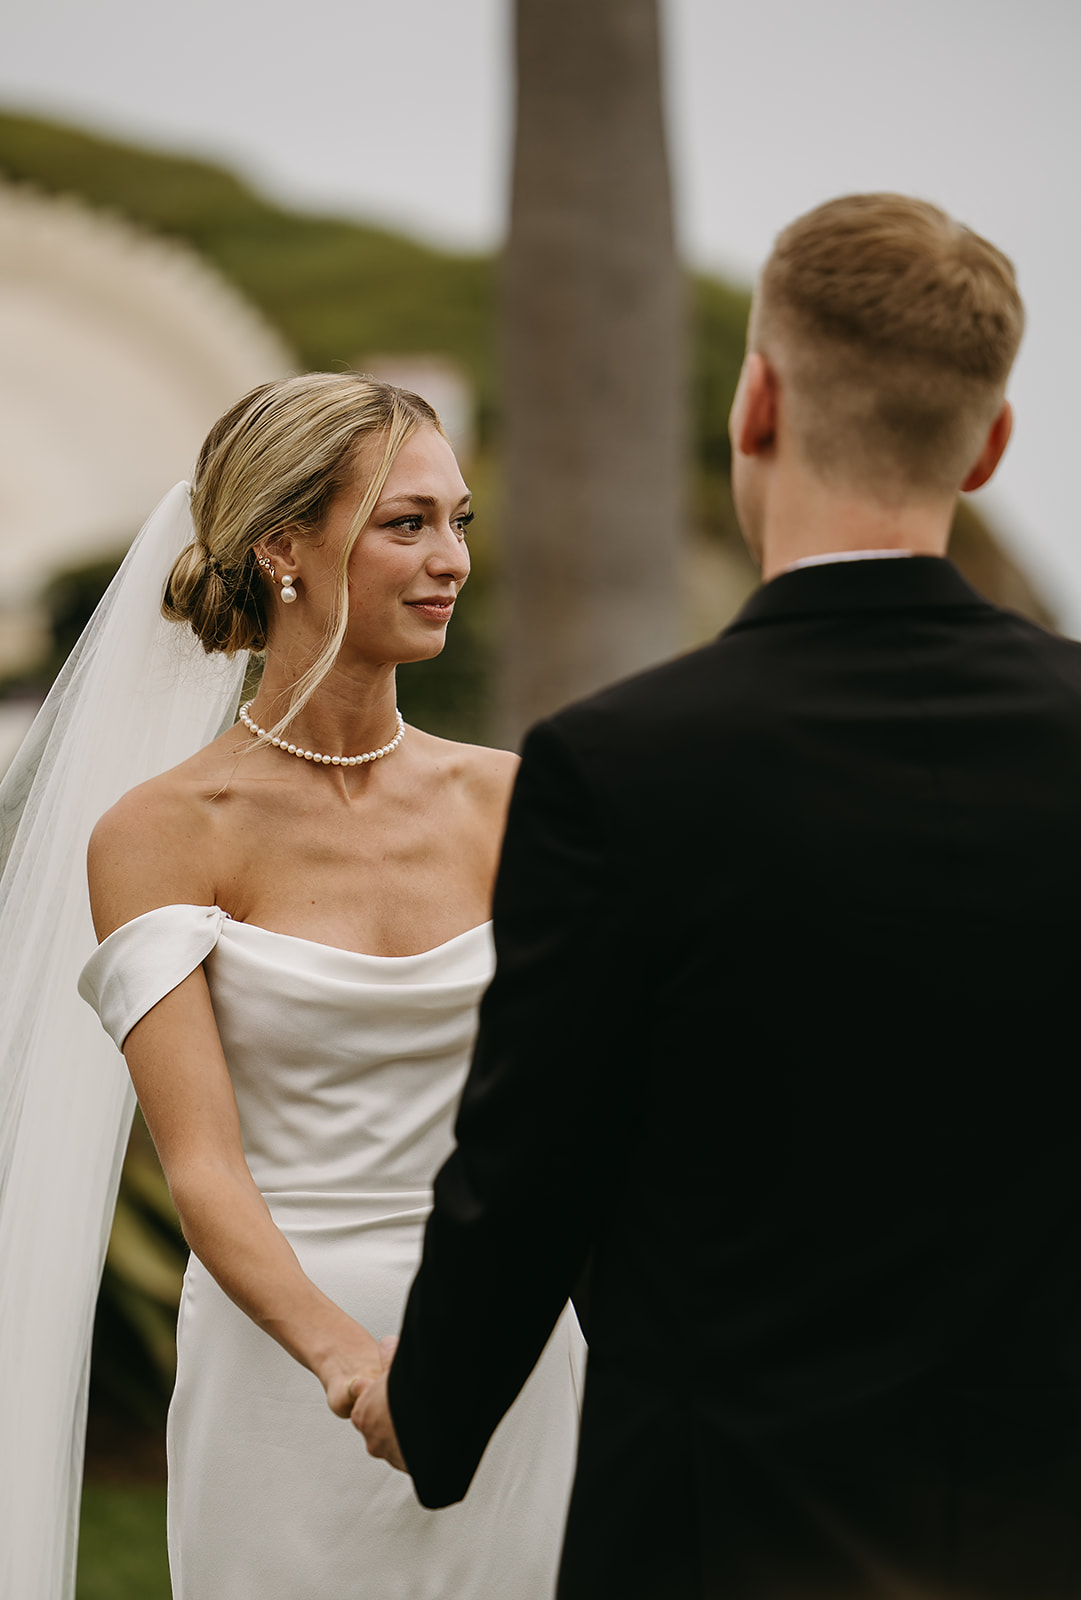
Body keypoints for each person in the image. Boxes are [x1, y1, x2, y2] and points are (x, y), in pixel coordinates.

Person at [355, 195, 1081, 1599]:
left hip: (723, 1535)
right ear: (988, 445)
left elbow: (531, 1163)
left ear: (756, 402)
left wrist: (431, 1406)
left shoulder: (619, 766)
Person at [51, 374, 582, 1598]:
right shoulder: (161, 833)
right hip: (284, 1379)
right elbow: (202, 1167)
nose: (450, 557)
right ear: (283, 544)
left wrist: (468, 1357)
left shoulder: (518, 802)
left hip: (509, 1357)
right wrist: (351, 1364)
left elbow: (571, 1111)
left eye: (459, 521)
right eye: (407, 523)